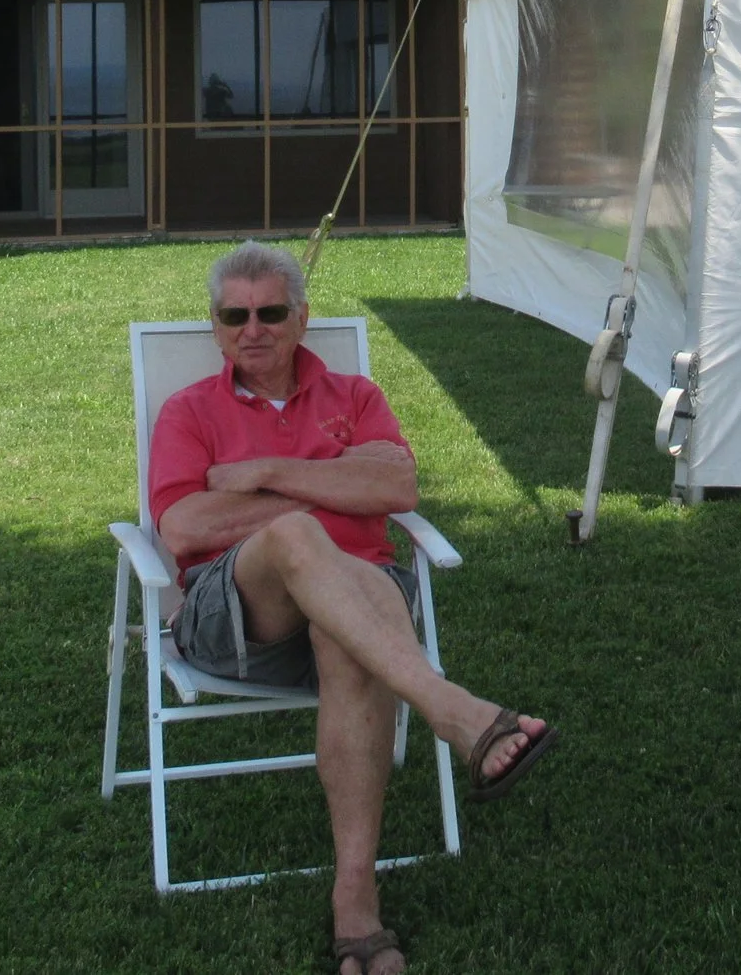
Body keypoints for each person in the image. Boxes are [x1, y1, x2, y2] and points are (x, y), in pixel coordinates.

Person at [151, 242, 558, 975]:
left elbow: (398, 489)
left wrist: (270, 472)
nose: (254, 328)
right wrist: (333, 484)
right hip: (236, 617)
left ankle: (355, 898)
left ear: (301, 317)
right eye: (234, 314)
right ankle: (450, 707)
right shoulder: (190, 411)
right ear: (214, 325)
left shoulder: (356, 397)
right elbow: (184, 527)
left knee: (348, 627)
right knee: (298, 536)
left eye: (271, 311)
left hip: (356, 610)